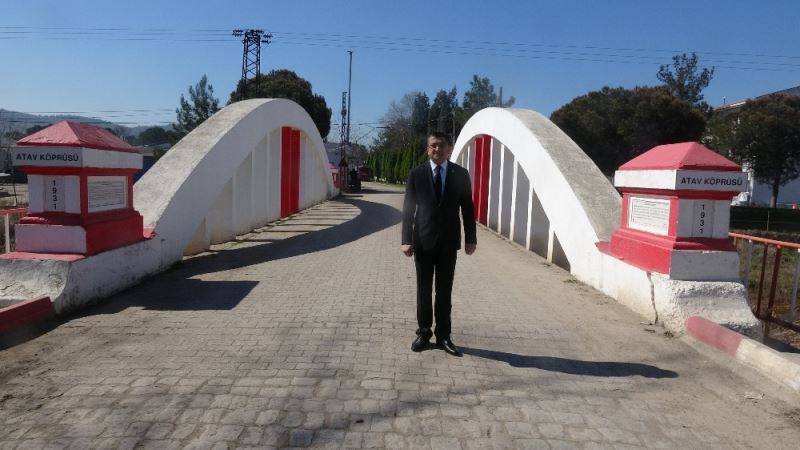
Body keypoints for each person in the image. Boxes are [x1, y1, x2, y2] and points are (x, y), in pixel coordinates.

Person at [401, 131, 477, 356]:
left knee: (444, 292)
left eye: (442, 145)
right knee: (423, 291)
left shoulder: (460, 174)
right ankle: (424, 332)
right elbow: (408, 208)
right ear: (428, 149)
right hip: (422, 242)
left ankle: (444, 335)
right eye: (433, 145)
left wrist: (471, 239)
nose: (437, 149)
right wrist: (406, 239)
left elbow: (468, 208)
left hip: (448, 244)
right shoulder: (417, 174)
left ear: (449, 149)